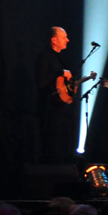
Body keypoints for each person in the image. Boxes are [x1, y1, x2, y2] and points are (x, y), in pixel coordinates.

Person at [36, 26, 76, 163]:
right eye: (64, 37)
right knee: (51, 145)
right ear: (54, 40)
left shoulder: (59, 59)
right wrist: (60, 73)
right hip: (49, 110)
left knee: (63, 143)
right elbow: (41, 82)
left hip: (61, 108)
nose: (68, 40)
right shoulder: (44, 57)